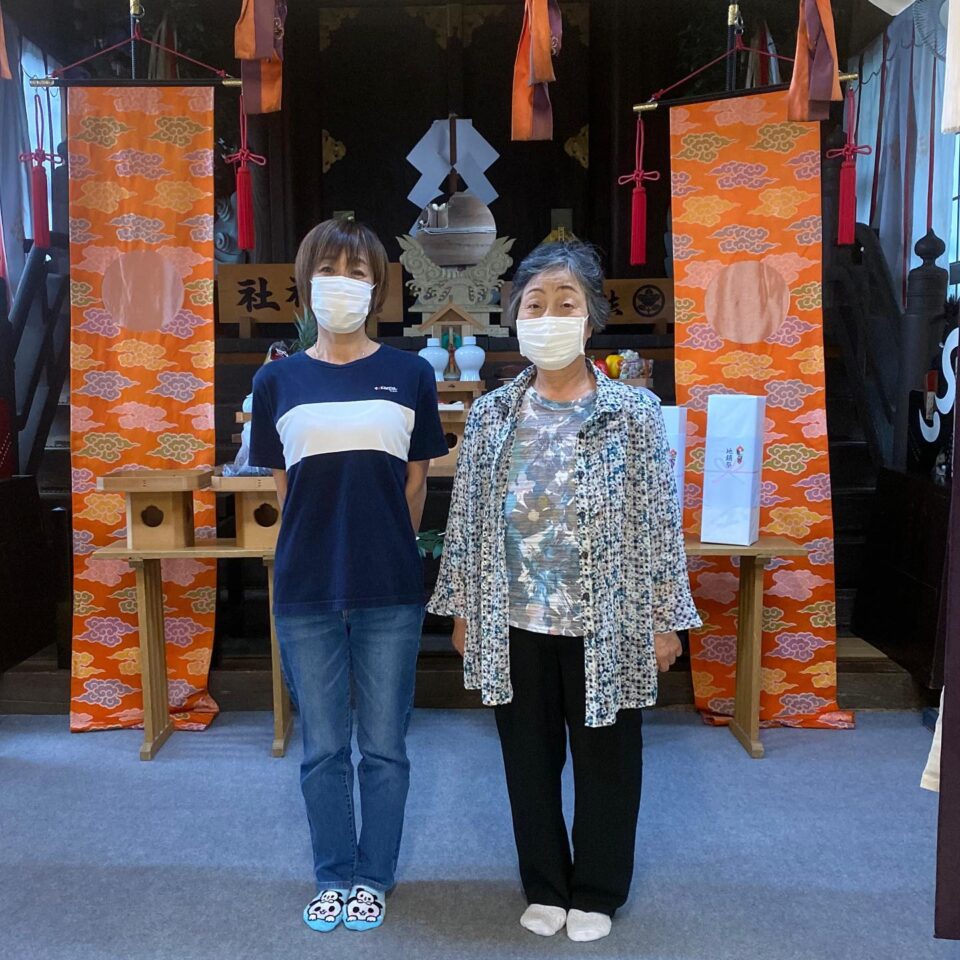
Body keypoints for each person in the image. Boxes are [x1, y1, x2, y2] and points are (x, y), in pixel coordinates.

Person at [428, 240, 701, 943]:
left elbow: (657, 520)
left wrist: (665, 620)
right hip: (513, 615)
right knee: (527, 756)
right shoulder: (491, 414)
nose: (547, 316)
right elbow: (467, 518)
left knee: (608, 758)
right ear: (516, 316)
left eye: (565, 303)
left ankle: (599, 890)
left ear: (591, 319)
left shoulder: (632, 412)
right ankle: (545, 884)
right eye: (534, 304)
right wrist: (462, 610)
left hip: (606, 616)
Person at [250, 218, 449, 934]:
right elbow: (283, 488)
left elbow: (416, 485)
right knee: (324, 744)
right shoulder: (277, 379)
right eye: (330, 267)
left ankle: (376, 874)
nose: (344, 280)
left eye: (359, 269)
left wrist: (376, 540)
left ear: (377, 286)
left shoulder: (411, 374)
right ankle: (333, 873)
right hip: (304, 586)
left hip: (390, 586)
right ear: (306, 282)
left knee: (386, 745)